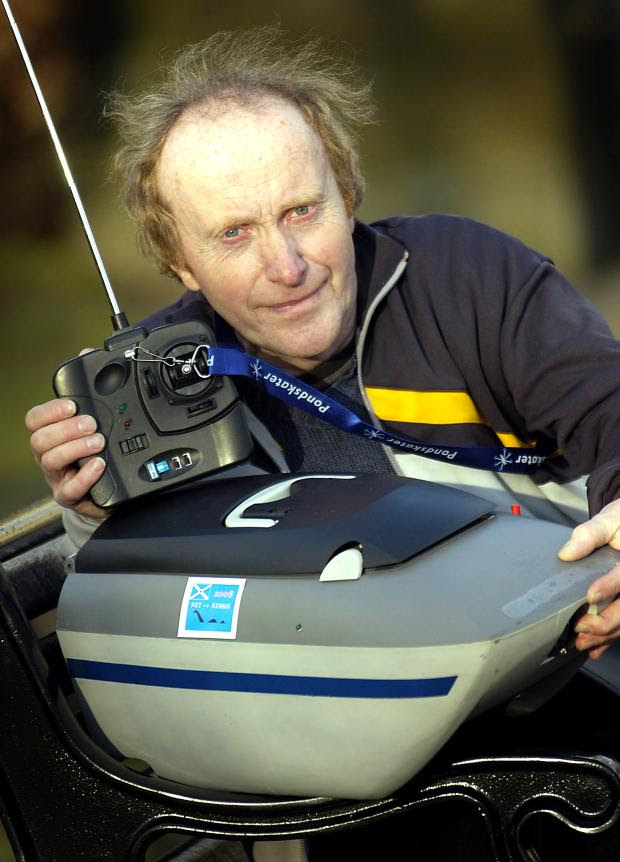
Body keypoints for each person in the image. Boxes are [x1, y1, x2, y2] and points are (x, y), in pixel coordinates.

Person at [22, 26, 620, 861]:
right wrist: (94, 511)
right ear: (179, 260)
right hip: (361, 773)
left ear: (347, 193)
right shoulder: (156, 386)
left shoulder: (468, 274)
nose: (287, 265)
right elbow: (156, 615)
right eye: (234, 235)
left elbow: (609, 406)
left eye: (302, 211)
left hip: (575, 688)